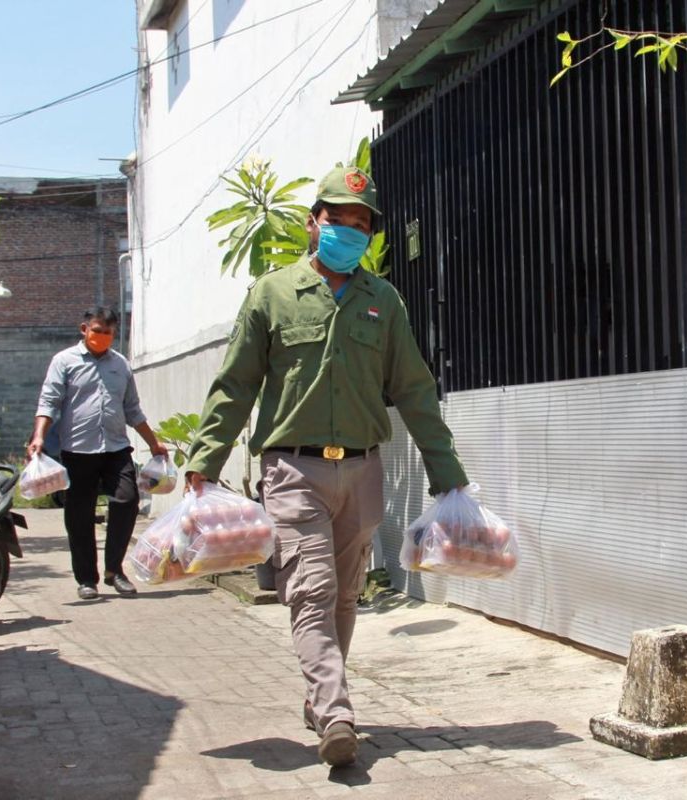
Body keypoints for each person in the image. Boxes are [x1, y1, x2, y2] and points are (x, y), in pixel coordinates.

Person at [184, 166, 469, 767]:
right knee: (310, 591)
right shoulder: (271, 294)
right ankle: (338, 712)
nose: (350, 231)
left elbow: (414, 388)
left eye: (362, 224)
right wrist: (204, 461)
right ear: (314, 222)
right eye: (339, 219)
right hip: (292, 470)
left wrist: (446, 470)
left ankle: (319, 700)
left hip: (362, 472)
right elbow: (235, 384)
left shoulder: (382, 301)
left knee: (344, 597)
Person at [29, 305, 168, 600]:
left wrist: (154, 442)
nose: (102, 337)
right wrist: (39, 437)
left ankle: (114, 570)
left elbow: (132, 409)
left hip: (116, 448)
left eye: (108, 333)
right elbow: (48, 402)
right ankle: (86, 579)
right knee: (79, 515)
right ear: (84, 330)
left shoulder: (121, 365)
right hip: (78, 451)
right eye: (97, 331)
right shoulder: (64, 362)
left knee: (127, 499)